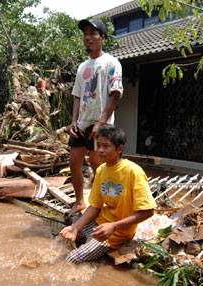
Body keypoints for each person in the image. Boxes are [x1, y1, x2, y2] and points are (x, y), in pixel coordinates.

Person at [60, 126, 156, 264]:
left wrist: (114, 226)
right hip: (98, 223)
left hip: (115, 233)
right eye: (98, 145)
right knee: (64, 234)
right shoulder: (101, 170)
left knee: (71, 259)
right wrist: (75, 227)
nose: (100, 150)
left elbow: (148, 212)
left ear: (119, 149)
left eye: (106, 146)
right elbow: (95, 206)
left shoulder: (133, 172)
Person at [67, 18, 123, 217]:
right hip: (81, 123)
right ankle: (80, 202)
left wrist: (100, 124)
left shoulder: (111, 63)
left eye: (93, 33)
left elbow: (114, 94)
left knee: (98, 166)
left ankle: (101, 206)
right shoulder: (82, 67)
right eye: (85, 34)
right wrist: (73, 121)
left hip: (101, 123)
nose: (88, 38)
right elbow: (77, 96)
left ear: (103, 38)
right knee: (74, 162)